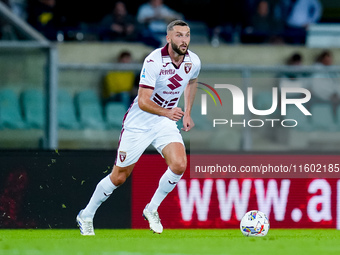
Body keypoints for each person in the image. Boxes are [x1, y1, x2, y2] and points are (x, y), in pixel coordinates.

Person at [76, 20, 201, 235]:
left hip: (164, 122)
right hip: (140, 122)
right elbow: (143, 101)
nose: (184, 40)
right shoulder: (154, 61)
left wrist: (187, 112)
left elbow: (192, 81)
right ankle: (86, 214)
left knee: (179, 164)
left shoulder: (194, 61)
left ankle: (151, 209)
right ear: (168, 38)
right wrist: (168, 112)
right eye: (179, 35)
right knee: (119, 177)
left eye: (187, 35)